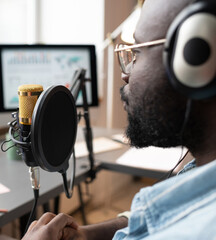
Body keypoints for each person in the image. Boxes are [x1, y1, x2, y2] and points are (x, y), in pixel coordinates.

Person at [22, 0, 216, 239]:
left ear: (197, 59)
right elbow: (158, 216)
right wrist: (86, 234)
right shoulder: (203, 172)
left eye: (137, 52)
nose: (125, 74)